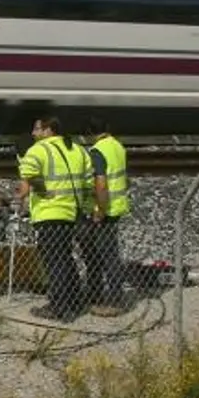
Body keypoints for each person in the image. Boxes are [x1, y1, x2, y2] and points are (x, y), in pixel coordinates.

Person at [15, 116, 93, 320]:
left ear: (48, 130)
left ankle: (58, 307)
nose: (33, 134)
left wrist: (42, 191)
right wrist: (84, 208)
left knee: (54, 261)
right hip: (71, 212)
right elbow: (87, 182)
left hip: (49, 212)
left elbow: (29, 175)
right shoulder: (78, 149)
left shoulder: (38, 150)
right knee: (65, 258)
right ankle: (74, 302)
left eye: (36, 129)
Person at [83, 117, 132, 317]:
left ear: (89, 134)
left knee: (108, 256)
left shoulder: (97, 151)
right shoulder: (118, 146)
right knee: (108, 253)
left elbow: (101, 183)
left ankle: (114, 301)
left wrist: (99, 210)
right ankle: (101, 294)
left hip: (106, 209)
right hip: (118, 205)